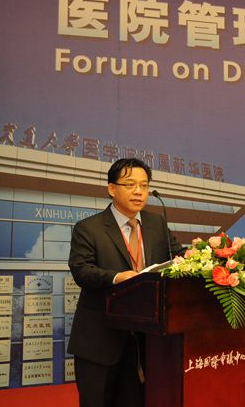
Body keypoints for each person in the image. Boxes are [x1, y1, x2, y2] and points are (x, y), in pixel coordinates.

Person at [68, 158, 182, 407]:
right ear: (112, 188)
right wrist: (117, 277)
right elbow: (81, 270)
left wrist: (203, 256)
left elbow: (178, 256)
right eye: (130, 184)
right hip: (100, 339)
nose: (139, 191)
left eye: (144, 185)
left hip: (145, 340)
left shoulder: (156, 223)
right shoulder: (89, 228)